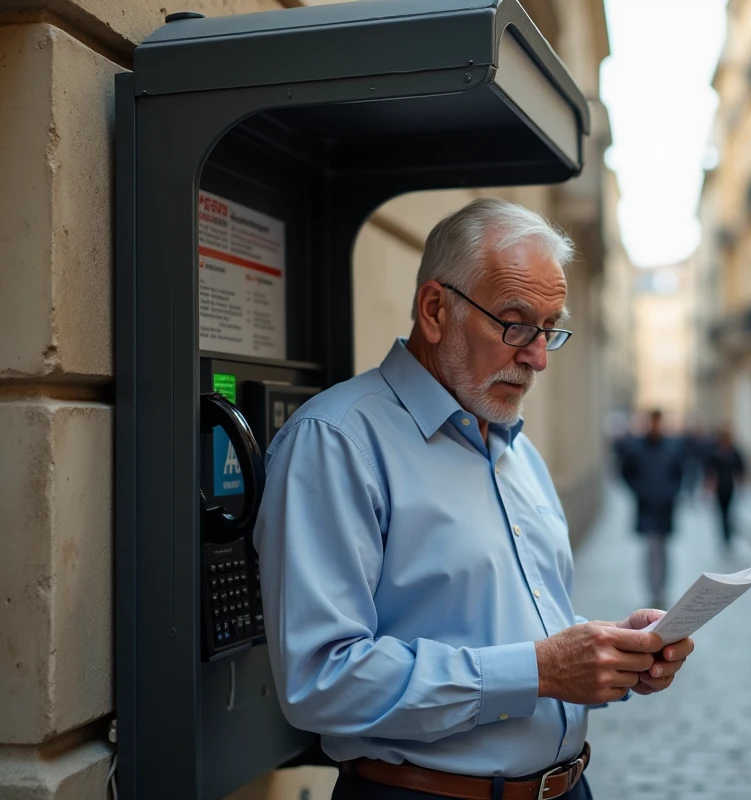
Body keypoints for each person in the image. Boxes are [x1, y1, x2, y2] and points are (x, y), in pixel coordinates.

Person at [253, 199, 695, 800]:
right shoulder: (337, 442)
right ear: (435, 310)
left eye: (550, 329)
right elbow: (321, 679)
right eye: (515, 323)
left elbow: (519, 626)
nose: (537, 356)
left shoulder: (517, 449)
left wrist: (611, 651)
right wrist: (540, 670)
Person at [619, 409, 686, 610]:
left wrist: (671, 492)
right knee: (651, 548)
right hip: (647, 507)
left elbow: (679, 473)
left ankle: (662, 588)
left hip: (665, 508)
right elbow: (626, 473)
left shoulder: (671, 447)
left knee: (663, 549)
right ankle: (654, 589)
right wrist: (640, 491)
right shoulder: (637, 448)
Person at [704, 426, 746, 551]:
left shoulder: (734, 452)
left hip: (730, 487)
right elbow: (710, 472)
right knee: (722, 514)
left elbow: (740, 469)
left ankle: (728, 535)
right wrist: (708, 487)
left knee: (729, 513)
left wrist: (741, 484)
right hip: (719, 489)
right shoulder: (716, 453)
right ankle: (724, 536)